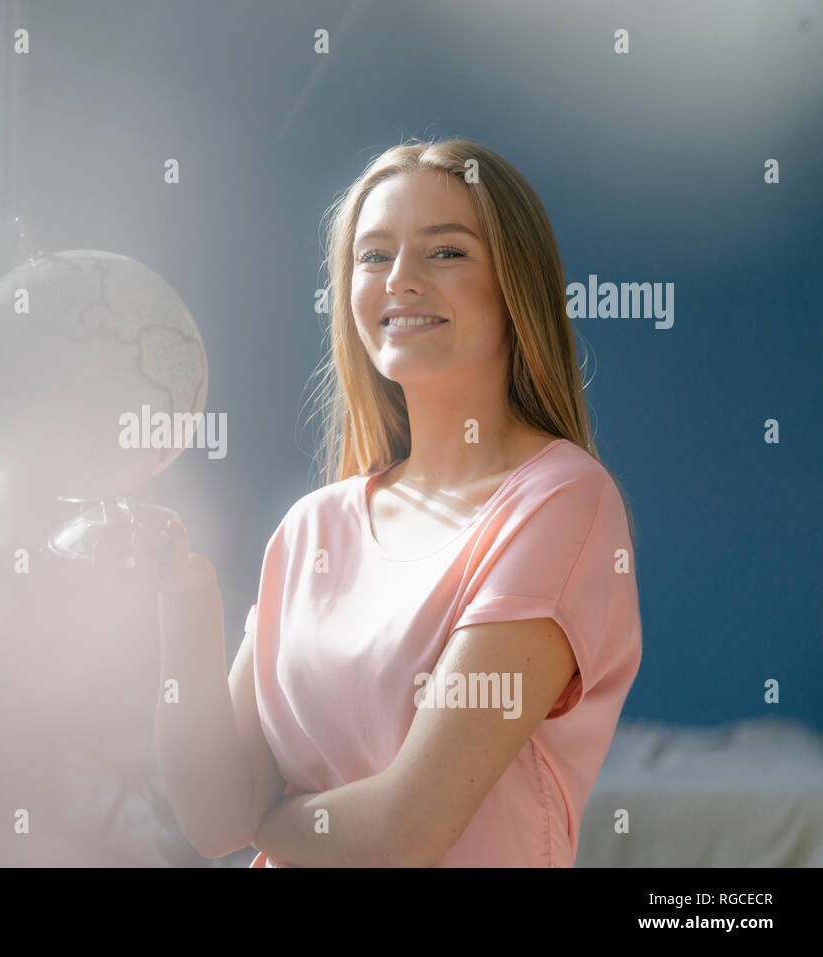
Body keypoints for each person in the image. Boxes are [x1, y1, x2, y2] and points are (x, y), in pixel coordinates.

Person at [96, 138, 642, 867]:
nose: (401, 281)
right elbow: (216, 817)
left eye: (445, 253)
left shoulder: (561, 501)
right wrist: (183, 595)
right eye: (374, 255)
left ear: (518, 286)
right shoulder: (311, 528)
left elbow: (405, 830)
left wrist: (275, 824)